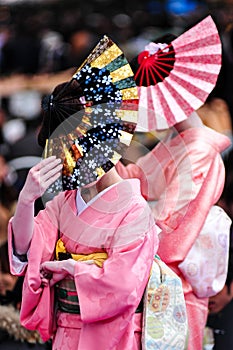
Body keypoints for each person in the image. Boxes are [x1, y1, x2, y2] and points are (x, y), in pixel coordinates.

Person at [7, 40, 160, 349]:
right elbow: (26, 250)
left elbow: (126, 285)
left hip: (114, 333)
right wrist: (26, 200)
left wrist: (74, 268)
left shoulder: (133, 208)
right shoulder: (65, 201)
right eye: (68, 148)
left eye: (80, 144)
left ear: (104, 137)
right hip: (66, 329)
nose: (74, 155)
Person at [116, 19, 232, 349]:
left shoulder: (197, 151)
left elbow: (170, 229)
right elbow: (135, 179)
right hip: (162, 281)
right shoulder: (177, 142)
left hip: (177, 283)